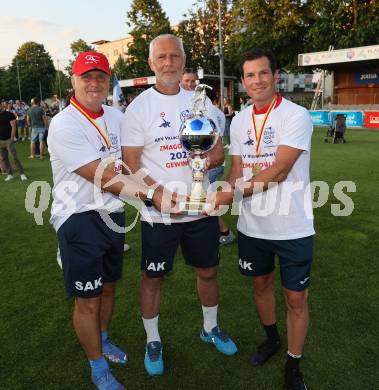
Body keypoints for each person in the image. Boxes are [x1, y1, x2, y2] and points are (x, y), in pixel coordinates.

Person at [48, 51, 177, 390]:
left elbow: (136, 162)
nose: (94, 83)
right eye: (87, 76)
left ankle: (102, 340)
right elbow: (101, 176)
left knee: (108, 285)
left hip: (112, 213)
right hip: (77, 216)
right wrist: (153, 196)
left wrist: (166, 182)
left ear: (108, 81)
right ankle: (97, 368)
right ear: (73, 81)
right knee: (87, 298)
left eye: (100, 77)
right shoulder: (64, 124)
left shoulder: (118, 117)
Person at [121, 34, 237, 377]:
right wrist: (158, 194)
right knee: (153, 277)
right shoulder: (138, 108)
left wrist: (203, 154)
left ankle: (210, 327)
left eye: (175, 56)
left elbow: (218, 151)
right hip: (160, 212)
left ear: (184, 61)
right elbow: (130, 163)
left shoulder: (201, 103)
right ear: (151, 63)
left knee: (208, 271)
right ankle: (153, 339)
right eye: (162, 57)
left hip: (200, 207)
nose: (169, 63)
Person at [213, 48, 314, 390]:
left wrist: (232, 195)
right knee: (260, 284)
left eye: (263, 73)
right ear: (242, 82)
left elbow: (281, 169)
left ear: (276, 76)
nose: (257, 80)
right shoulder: (239, 120)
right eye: (250, 75)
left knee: (295, 298)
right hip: (253, 226)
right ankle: (272, 339)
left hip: (292, 226)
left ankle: (294, 364)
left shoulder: (296, 115)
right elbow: (238, 169)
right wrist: (218, 194)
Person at [0, 101, 27, 181]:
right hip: (1, 141)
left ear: (1, 105)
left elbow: (13, 126)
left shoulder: (9, 114)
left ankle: (22, 174)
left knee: (14, 157)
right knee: (4, 158)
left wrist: (12, 138)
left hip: (9, 139)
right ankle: (10, 174)